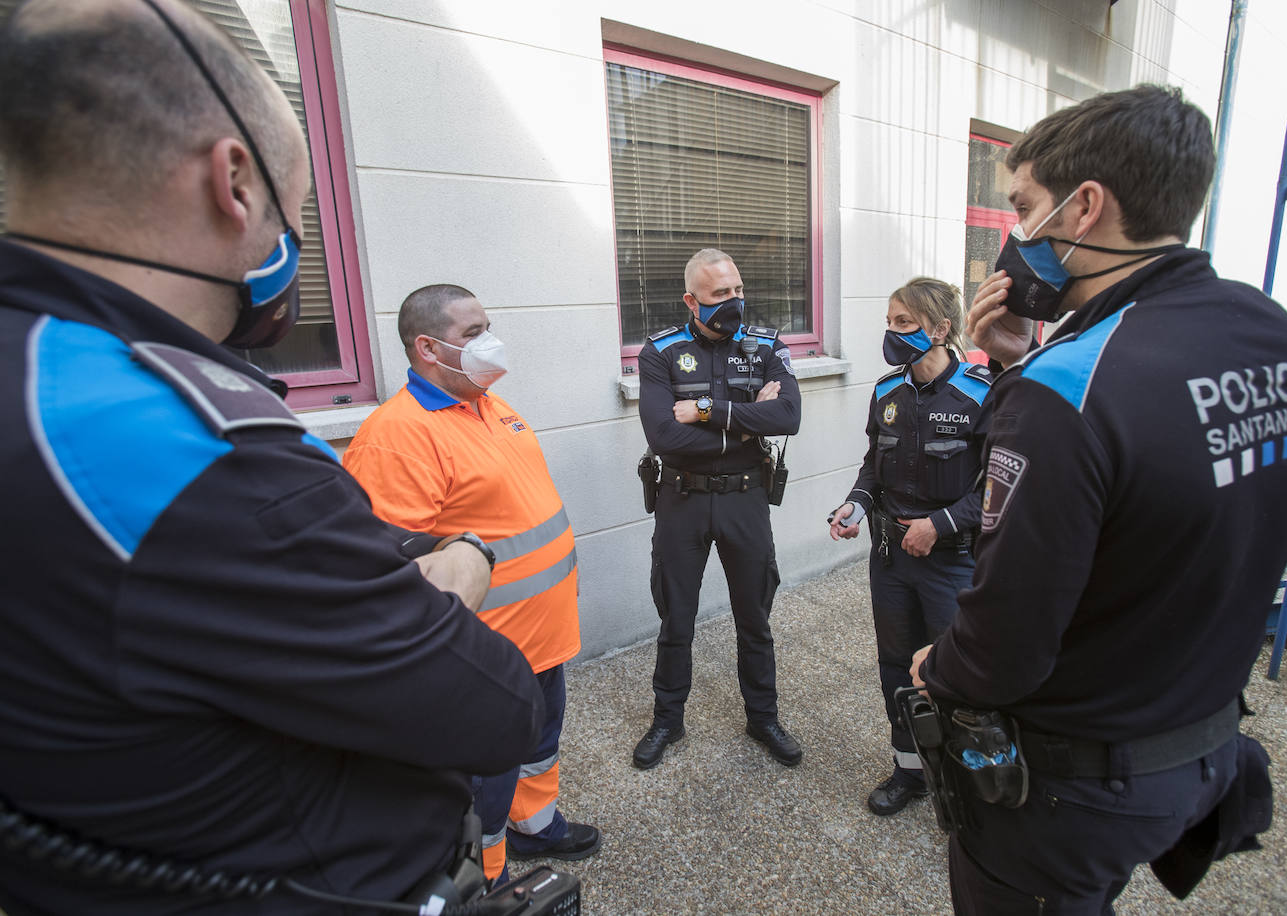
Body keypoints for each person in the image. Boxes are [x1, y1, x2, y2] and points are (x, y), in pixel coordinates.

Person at [0, 2, 545, 913]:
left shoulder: (42, 373)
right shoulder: (178, 443)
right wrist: (459, 564)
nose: (289, 254)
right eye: (291, 218)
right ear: (235, 183)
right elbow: (490, 707)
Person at [910, 84, 1287, 914]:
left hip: (1073, 789)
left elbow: (1005, 646)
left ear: (1085, 207)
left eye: (1024, 210)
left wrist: (938, 667)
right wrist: (1019, 367)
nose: (1015, 237)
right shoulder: (1271, 333)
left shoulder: (1067, 386)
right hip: (1203, 747)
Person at [342, 284, 600, 883]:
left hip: (541, 637)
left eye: (489, 326)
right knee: (484, 776)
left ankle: (535, 828)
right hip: (480, 654)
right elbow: (393, 568)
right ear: (428, 348)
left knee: (539, 743)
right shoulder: (396, 436)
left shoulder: (493, 406)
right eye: (473, 333)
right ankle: (484, 879)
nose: (491, 343)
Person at [632, 248, 803, 769]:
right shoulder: (659, 352)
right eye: (718, 295)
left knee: (755, 616)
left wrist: (712, 413)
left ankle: (763, 717)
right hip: (680, 499)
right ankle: (667, 719)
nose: (733, 302)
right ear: (691, 300)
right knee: (676, 618)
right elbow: (663, 435)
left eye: (737, 290)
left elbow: (790, 415)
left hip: (746, 499)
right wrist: (751, 423)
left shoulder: (766, 345)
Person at [827, 278, 991, 816]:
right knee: (897, 667)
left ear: (941, 329)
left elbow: (998, 488)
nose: (892, 332)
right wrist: (854, 503)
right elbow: (874, 465)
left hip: (953, 563)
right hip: (891, 560)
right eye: (890, 321)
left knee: (954, 671)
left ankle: (969, 783)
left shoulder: (982, 393)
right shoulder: (885, 393)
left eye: (905, 323)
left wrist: (939, 524)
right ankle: (910, 770)